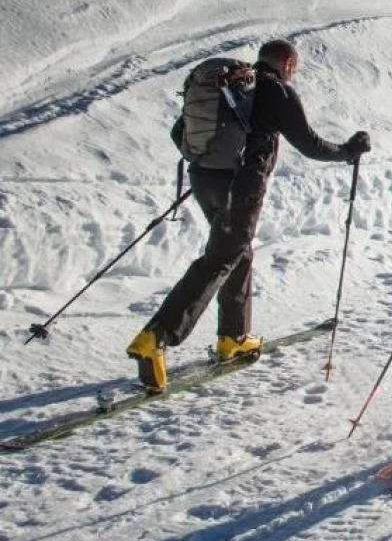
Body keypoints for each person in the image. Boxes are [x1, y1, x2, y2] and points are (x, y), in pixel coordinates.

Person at [126, 39, 370, 392]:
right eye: (294, 68)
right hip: (238, 185)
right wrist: (348, 151)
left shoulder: (233, 86)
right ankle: (155, 338)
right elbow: (309, 144)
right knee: (223, 256)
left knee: (238, 250)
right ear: (287, 62)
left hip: (203, 176)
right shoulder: (274, 91)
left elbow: (178, 131)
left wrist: (210, 161)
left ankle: (233, 337)